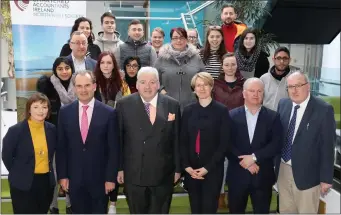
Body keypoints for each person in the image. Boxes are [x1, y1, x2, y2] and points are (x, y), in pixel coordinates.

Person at [116, 67, 181, 214]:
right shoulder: (123, 104)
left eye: (152, 82)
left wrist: (178, 169)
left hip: (163, 173)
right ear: (137, 84)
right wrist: (119, 168)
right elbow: (118, 140)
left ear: (158, 85)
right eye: (143, 82)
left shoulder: (172, 104)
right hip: (134, 173)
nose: (148, 86)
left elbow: (176, 139)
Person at [56, 71, 119, 214]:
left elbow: (113, 149)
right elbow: (61, 148)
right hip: (74, 179)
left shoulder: (109, 113)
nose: (83, 90)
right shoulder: (65, 113)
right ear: (74, 88)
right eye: (79, 86)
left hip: (100, 181)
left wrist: (110, 178)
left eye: (87, 85)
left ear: (94, 86)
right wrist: (63, 176)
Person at [276, 71, 336, 214]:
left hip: (308, 174)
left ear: (308, 86)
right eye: (290, 87)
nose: (294, 90)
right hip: (283, 171)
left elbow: (327, 146)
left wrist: (326, 178)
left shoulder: (323, 110)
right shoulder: (283, 104)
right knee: (285, 211)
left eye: (298, 85)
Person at [227, 78, 282, 214]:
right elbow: (227, 143)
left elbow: (276, 144)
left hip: (263, 176)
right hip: (237, 176)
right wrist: (245, 162)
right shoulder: (231, 116)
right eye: (252, 91)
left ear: (264, 94)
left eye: (259, 91)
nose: (256, 94)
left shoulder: (273, 117)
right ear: (244, 94)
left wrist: (254, 158)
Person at [180, 72, 231, 214]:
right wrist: (187, 167)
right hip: (191, 171)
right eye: (198, 85)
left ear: (212, 87)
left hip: (212, 170)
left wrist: (207, 168)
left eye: (205, 85)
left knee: (209, 209)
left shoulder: (221, 111)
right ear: (194, 89)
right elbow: (183, 141)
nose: (202, 88)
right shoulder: (188, 111)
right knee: (195, 209)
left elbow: (224, 144)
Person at [2, 93, 57, 214]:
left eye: (44, 107)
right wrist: (19, 172)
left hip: (45, 183)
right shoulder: (15, 131)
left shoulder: (52, 130)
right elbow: (6, 156)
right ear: (29, 110)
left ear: (48, 110)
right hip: (22, 183)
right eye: (36, 107)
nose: (40, 111)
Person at [36, 57, 75, 213]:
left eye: (67, 68)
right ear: (55, 70)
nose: (64, 72)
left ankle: (70, 204)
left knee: (71, 170)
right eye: (60, 68)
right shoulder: (47, 86)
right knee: (52, 171)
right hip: (51, 134)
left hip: (74, 135)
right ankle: (53, 206)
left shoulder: (79, 84)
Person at [212, 52, 245, 209]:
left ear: (237, 66)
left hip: (239, 130)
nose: (230, 67)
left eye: (233, 64)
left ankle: (234, 194)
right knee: (220, 163)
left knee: (236, 164)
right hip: (219, 130)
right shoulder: (215, 85)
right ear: (222, 66)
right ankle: (220, 194)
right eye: (227, 64)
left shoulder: (244, 84)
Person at [155, 27, 206, 111]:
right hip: (167, 105)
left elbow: (204, 78)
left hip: (192, 105)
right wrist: (161, 90)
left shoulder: (196, 57)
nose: (179, 41)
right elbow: (154, 78)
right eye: (175, 38)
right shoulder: (162, 58)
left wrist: (196, 93)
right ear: (171, 40)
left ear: (186, 39)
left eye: (182, 37)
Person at [260, 46, 300, 111]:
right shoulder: (264, 79)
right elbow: (259, 100)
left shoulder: (294, 80)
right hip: (266, 118)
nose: (281, 61)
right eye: (278, 58)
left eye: (285, 58)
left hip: (285, 118)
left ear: (289, 60)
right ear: (273, 59)